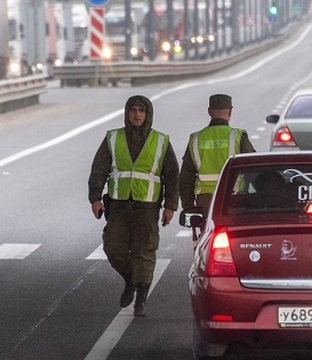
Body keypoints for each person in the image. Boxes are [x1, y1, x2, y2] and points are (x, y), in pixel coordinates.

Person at [88, 95, 179, 317]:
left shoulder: (160, 141)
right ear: (127, 113)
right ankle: (129, 278)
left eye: (141, 110)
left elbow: (172, 175)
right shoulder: (113, 138)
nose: (137, 114)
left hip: (147, 207)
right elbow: (99, 169)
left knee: (145, 252)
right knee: (113, 247)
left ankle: (141, 298)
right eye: (133, 110)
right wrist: (95, 198)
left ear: (148, 114)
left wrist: (170, 206)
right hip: (118, 206)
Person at [179, 94, 256, 219]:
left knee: (207, 235)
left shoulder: (196, 139)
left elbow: (186, 176)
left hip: (205, 200)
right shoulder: (237, 137)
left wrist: (188, 206)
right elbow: (252, 168)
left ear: (209, 111)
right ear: (230, 111)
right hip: (234, 198)